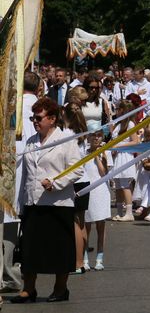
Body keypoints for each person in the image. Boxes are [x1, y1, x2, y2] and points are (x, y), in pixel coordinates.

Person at [11, 97, 83, 303]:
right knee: (29, 248)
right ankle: (29, 289)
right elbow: (26, 173)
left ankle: (61, 289)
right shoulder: (31, 141)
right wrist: (21, 202)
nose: (35, 121)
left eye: (39, 117)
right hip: (33, 202)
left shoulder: (66, 139)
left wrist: (55, 182)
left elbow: (77, 169)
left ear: (52, 119)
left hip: (57, 203)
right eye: (33, 117)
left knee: (59, 248)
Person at [3, 72, 40, 293]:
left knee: (9, 221)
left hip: (13, 170)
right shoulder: (37, 108)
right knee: (13, 223)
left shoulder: (12, 105)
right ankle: (10, 272)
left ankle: (10, 271)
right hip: (24, 173)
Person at [61, 103, 91, 274]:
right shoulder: (82, 133)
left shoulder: (67, 134)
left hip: (75, 181)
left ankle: (78, 262)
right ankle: (82, 259)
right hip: (84, 180)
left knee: (75, 223)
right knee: (81, 223)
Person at [83, 131, 112, 271]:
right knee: (86, 226)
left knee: (101, 226)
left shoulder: (105, 153)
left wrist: (99, 156)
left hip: (101, 192)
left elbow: (103, 173)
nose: (96, 138)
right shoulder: (83, 153)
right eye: (93, 135)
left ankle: (100, 257)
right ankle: (85, 257)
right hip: (88, 191)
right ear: (88, 137)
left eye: (99, 135)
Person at [111, 100, 140, 222]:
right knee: (118, 185)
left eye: (118, 109)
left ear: (123, 110)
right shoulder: (118, 125)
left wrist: (118, 145)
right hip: (117, 156)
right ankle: (120, 212)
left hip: (125, 156)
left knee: (124, 184)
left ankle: (129, 213)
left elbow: (135, 141)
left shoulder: (130, 125)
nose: (116, 111)